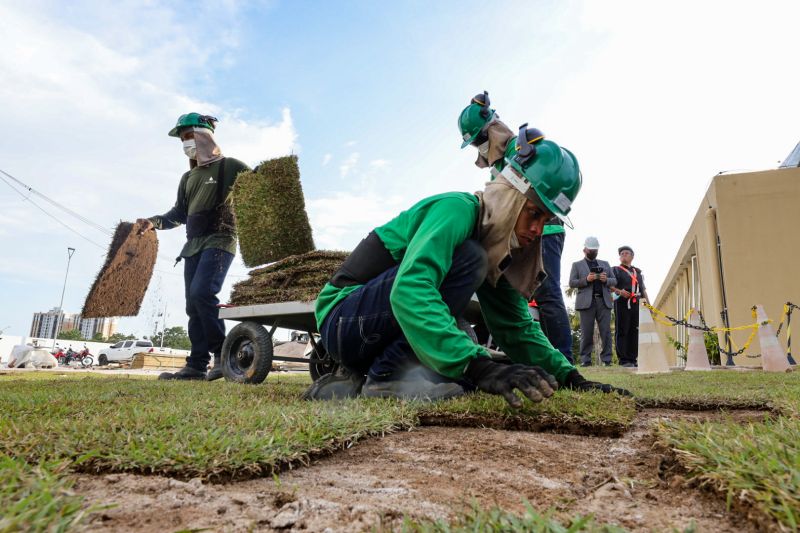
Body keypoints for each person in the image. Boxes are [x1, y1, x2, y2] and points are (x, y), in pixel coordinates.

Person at [304, 125, 629, 403]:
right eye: (534, 213)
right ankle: (385, 377)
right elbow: (409, 290)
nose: (538, 230)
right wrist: (480, 367)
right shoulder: (457, 210)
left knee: (465, 347)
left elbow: (514, 326)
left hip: (371, 329)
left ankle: (354, 381)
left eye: (547, 219)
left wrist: (571, 377)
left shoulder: (497, 249)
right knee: (469, 267)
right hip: (342, 321)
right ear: (512, 195)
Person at [458, 92, 574, 363]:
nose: (479, 147)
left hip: (545, 231)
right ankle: (523, 354)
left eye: (478, 139)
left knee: (547, 293)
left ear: (490, 129)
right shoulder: (497, 165)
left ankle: (565, 358)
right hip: (519, 232)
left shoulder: (519, 152)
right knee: (513, 291)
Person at [137, 113, 250, 381]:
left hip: (221, 241)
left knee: (202, 293)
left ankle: (224, 354)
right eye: (182, 139)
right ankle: (196, 365)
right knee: (192, 305)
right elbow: (178, 214)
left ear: (204, 135)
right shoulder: (188, 178)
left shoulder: (230, 166)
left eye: (189, 136)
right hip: (193, 246)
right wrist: (153, 222)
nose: (186, 143)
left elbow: (257, 191)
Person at [568, 237, 616, 366]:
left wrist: (606, 280)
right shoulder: (576, 265)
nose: (593, 252)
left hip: (603, 302)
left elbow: (614, 281)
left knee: (605, 332)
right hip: (586, 303)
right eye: (591, 249)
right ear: (584, 249)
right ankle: (585, 360)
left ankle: (607, 360)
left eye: (595, 250)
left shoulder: (605, 263)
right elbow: (572, 283)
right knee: (586, 332)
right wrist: (586, 279)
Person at [611, 246, 649, 367]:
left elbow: (642, 290)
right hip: (622, 302)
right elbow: (608, 285)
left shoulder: (637, 272)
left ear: (632, 256)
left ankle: (633, 359)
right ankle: (624, 359)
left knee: (635, 330)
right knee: (622, 329)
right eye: (621, 253)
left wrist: (648, 306)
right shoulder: (615, 270)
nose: (624, 255)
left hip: (636, 303)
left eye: (626, 253)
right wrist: (619, 291)